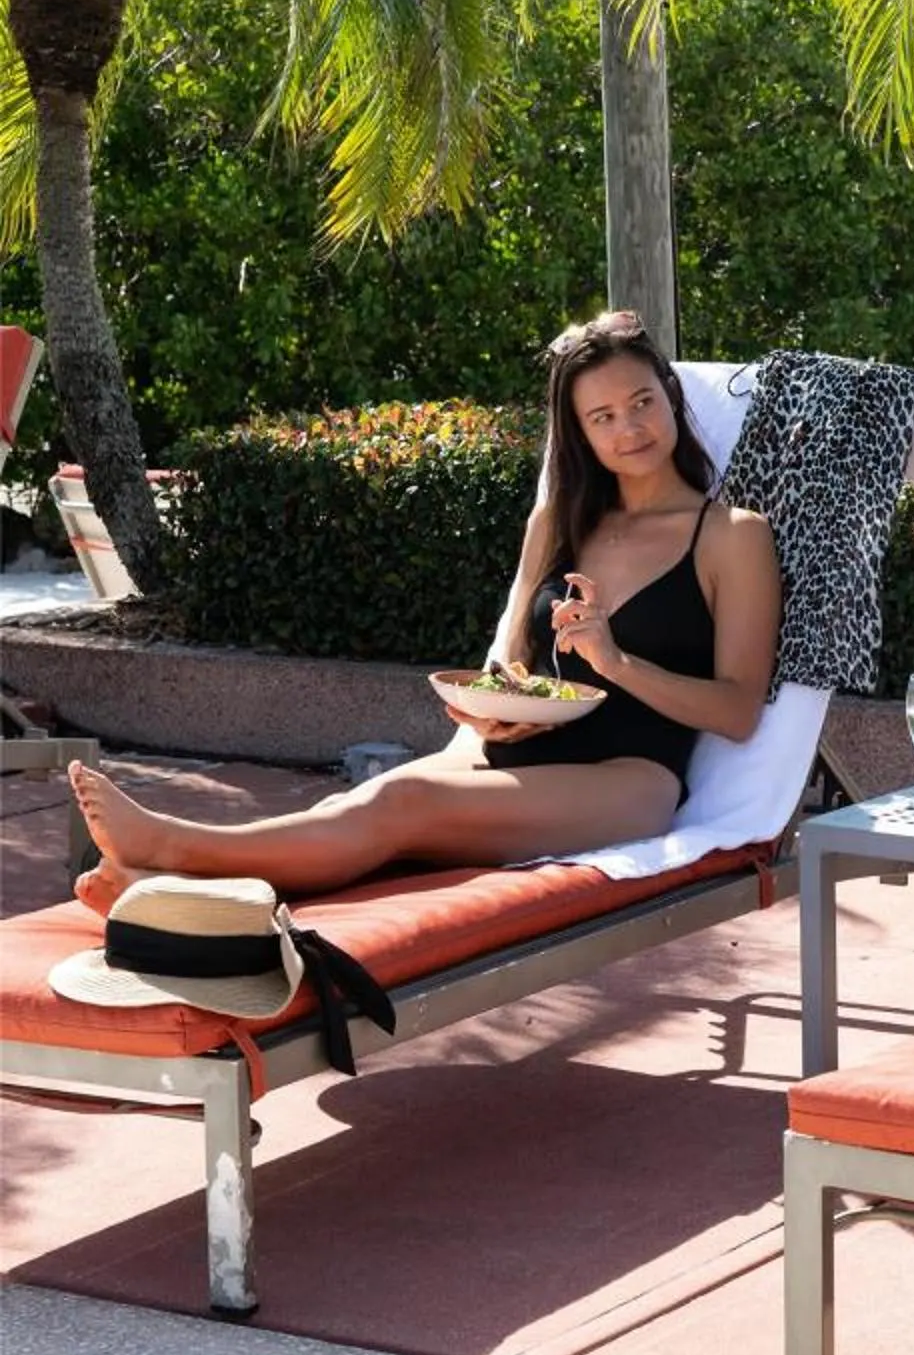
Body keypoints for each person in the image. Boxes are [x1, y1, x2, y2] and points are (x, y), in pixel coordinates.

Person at [69, 313, 781, 911]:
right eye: (603, 416)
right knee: (354, 810)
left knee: (400, 806)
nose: (629, 427)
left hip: (631, 779)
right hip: (517, 747)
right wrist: (491, 702)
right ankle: (163, 889)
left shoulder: (731, 535)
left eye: (642, 402)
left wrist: (617, 662)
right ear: (583, 434)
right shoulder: (564, 520)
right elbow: (510, 651)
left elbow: (738, 711)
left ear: (669, 397)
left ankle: (171, 846)